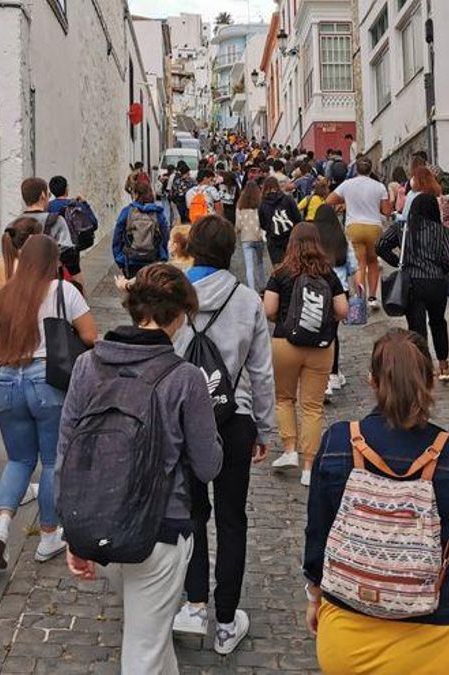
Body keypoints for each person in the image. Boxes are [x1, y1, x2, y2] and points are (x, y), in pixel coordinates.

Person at [303, 329, 449, 675]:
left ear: (371, 381)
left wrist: (315, 594)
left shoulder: (338, 441)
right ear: (430, 383)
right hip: (431, 643)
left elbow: (318, 530)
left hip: (345, 636)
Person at [62, 264, 222, 675]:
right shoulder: (185, 377)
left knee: (153, 638)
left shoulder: (88, 365)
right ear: (178, 314)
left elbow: (67, 452)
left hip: (101, 524)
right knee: (144, 652)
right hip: (160, 528)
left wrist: (72, 532)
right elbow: (207, 466)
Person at [169, 216, 277, 654]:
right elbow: (261, 371)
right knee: (232, 519)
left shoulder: (174, 292)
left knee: (192, 513)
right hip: (234, 418)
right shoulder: (246, 298)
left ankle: (194, 605)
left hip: (183, 417)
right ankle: (228, 620)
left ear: (192, 247)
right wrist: (266, 427)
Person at [0, 235, 97, 569]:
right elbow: (89, 336)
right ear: (53, 262)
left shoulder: (2, 297)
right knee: (53, 461)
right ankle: (47, 536)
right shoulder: (63, 292)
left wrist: (12, 352)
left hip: (6, 383)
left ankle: (1, 527)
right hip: (48, 383)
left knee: (19, 460)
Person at [265, 223, 350, 486]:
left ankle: (290, 450)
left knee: (284, 399)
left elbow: (269, 309)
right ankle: (309, 468)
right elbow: (343, 310)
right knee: (312, 407)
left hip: (285, 344)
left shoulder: (280, 272)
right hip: (321, 347)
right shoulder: (328, 274)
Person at [377, 167, 449, 381]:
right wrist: (440, 268)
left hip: (412, 282)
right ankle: (444, 365)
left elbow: (381, 245)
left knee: (417, 326)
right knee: (438, 322)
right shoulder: (440, 231)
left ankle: (425, 367)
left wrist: (398, 262)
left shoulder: (403, 228)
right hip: (436, 282)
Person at [326, 158, 392, 310]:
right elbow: (387, 211)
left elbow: (329, 201)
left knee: (359, 264)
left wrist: (346, 201)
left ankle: (360, 299)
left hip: (354, 227)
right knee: (373, 262)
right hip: (374, 228)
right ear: (371, 170)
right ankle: (373, 298)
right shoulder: (379, 186)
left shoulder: (348, 184)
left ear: (356, 169)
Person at [313, 205, 357, 396]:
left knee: (321, 331)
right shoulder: (342, 240)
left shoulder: (313, 242)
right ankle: (333, 373)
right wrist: (357, 291)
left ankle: (324, 375)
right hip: (340, 290)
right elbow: (353, 267)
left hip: (317, 289)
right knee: (333, 333)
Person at [18, 177, 80, 281]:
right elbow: (69, 257)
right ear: (43, 195)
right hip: (50, 281)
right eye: (48, 194)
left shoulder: (14, 224)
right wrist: (79, 283)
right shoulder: (56, 221)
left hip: (23, 283)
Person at [113, 180, 171, 279]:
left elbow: (117, 238)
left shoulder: (127, 212)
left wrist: (120, 260)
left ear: (136, 194)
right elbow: (165, 237)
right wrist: (163, 257)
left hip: (131, 260)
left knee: (133, 290)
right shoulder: (157, 213)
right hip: (153, 260)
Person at [257, 176, 303, 265]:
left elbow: (263, 224)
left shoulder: (262, 204)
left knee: (279, 269)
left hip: (274, 240)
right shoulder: (288, 199)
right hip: (291, 237)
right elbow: (297, 218)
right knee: (294, 265)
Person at [235, 179, 267, 291]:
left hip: (245, 238)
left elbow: (238, 225)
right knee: (260, 263)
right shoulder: (260, 204)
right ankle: (263, 286)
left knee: (249, 267)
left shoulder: (240, 206)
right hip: (259, 236)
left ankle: (252, 289)